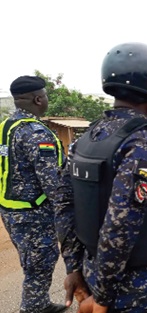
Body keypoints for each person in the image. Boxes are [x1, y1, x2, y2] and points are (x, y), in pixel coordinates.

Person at [54, 42, 147, 312]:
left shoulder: (89, 136)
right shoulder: (143, 141)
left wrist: (75, 268)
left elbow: (64, 206)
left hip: (94, 273)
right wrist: (103, 297)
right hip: (136, 286)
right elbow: (121, 223)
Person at [0, 76, 66, 313]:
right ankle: (32, 308)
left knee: (31, 263)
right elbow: (52, 183)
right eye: (45, 95)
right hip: (33, 213)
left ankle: (40, 303)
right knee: (40, 264)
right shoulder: (36, 133)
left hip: (9, 210)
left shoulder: (5, 127)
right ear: (39, 99)